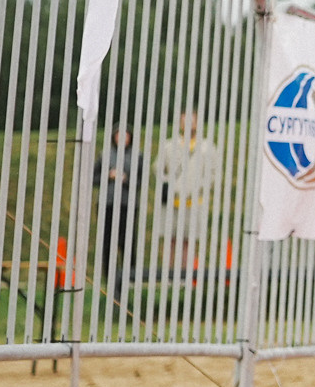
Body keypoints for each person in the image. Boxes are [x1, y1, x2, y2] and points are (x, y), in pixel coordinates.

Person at [156, 108, 221, 276]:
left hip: (194, 201)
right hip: (173, 201)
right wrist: (169, 184)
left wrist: (200, 186)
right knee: (171, 240)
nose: (189, 124)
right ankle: (169, 275)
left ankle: (186, 275)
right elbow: (158, 168)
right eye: (185, 121)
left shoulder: (207, 146)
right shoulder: (170, 145)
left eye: (192, 121)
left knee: (189, 241)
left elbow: (214, 172)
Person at [93, 123, 145, 292]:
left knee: (127, 241)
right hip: (107, 204)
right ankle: (109, 278)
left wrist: (126, 178)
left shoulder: (137, 156)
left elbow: (141, 181)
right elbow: (93, 177)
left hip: (127, 204)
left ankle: (129, 277)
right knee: (107, 241)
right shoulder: (105, 155)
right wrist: (108, 175)